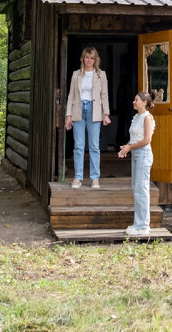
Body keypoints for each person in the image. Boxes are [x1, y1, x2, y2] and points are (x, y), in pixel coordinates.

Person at [64, 46, 111, 188]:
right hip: (78, 109)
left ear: (96, 59)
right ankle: (78, 178)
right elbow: (71, 95)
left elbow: (104, 95)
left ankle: (95, 178)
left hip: (94, 110)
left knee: (94, 146)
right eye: (87, 57)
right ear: (82, 58)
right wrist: (68, 115)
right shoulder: (76, 74)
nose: (89, 60)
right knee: (78, 146)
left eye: (92, 58)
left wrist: (106, 114)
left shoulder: (101, 75)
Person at [118, 91, 155, 235]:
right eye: (134, 100)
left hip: (143, 154)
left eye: (137, 100)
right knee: (136, 188)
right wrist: (126, 148)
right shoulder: (136, 117)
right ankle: (138, 224)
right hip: (135, 154)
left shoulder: (147, 117)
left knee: (142, 190)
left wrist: (130, 147)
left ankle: (143, 227)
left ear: (144, 102)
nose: (134, 102)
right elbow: (134, 138)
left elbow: (147, 140)